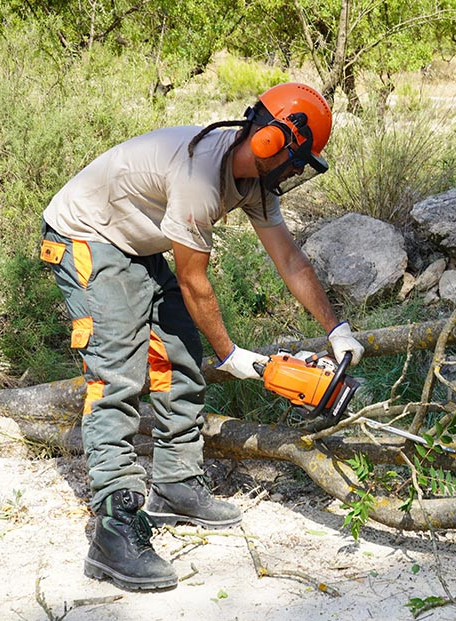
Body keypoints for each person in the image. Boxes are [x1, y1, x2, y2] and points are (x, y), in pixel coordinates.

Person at [39, 82, 363, 591]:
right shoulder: (199, 175)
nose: (298, 171)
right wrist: (231, 354)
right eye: (299, 160)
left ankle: (175, 483)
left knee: (180, 359)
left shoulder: (255, 183)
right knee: (117, 376)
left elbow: (290, 259)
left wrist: (336, 328)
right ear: (272, 144)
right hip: (88, 237)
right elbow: (194, 280)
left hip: (136, 243)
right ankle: (114, 526)